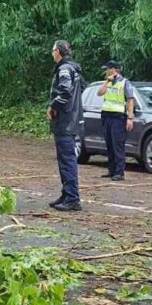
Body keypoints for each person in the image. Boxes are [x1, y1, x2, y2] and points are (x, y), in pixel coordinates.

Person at [48, 40, 84, 211]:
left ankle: (72, 198)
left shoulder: (64, 69)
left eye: (53, 50)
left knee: (67, 159)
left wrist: (53, 106)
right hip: (71, 119)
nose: (51, 53)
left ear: (59, 52)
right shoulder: (73, 69)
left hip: (65, 121)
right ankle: (66, 193)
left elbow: (65, 92)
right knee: (65, 159)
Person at [97, 61, 136, 181]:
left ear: (113, 69)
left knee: (118, 145)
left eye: (107, 69)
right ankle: (112, 170)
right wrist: (107, 81)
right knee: (109, 144)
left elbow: (130, 100)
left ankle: (119, 172)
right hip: (107, 116)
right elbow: (99, 93)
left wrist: (130, 118)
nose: (105, 71)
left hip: (118, 117)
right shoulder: (108, 82)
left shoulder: (124, 82)